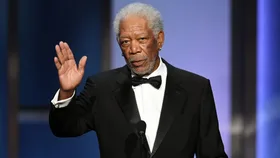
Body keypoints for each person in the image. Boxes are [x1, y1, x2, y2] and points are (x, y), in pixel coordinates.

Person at [49, 2, 228, 158]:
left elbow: (212, 153)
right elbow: (64, 128)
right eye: (125, 42)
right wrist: (67, 91)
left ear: (159, 40)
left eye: (141, 39)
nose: (133, 49)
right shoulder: (102, 87)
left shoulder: (195, 89)